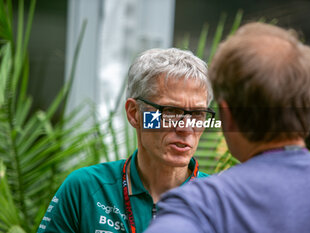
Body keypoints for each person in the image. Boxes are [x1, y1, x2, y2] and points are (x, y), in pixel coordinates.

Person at [145, 22, 310, 233]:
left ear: (227, 115)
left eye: (197, 114)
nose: (185, 127)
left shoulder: (201, 205)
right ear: (309, 112)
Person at [37, 48, 215, 233]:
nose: (186, 127)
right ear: (134, 113)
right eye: (170, 112)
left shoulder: (222, 202)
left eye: (197, 114)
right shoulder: (85, 189)